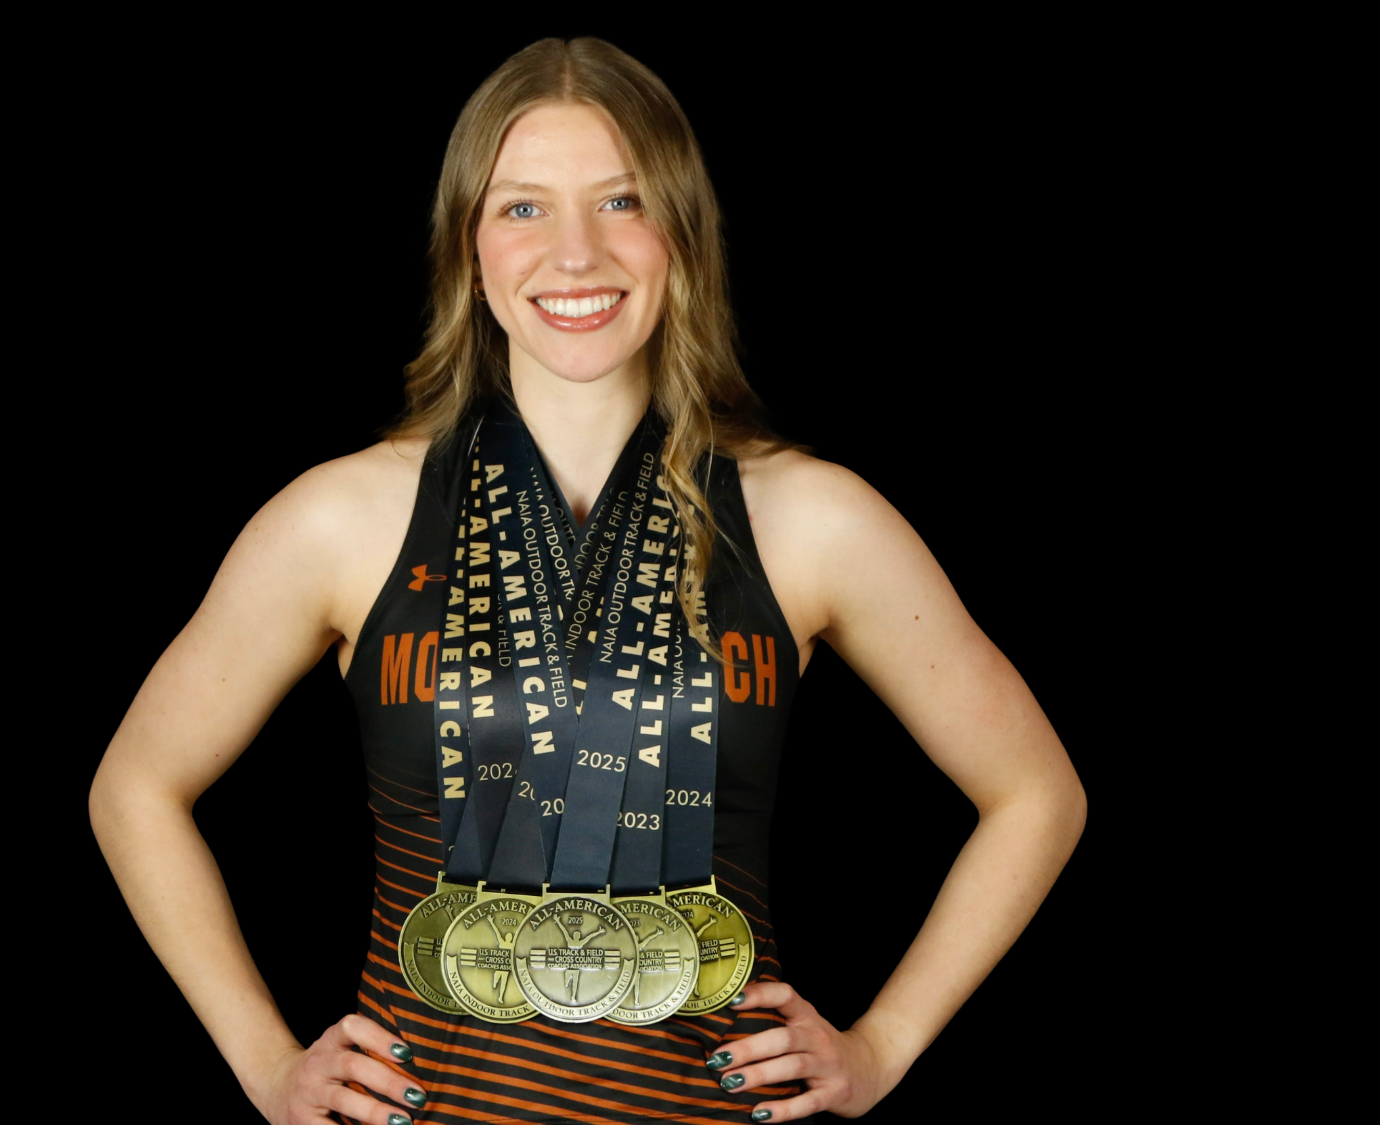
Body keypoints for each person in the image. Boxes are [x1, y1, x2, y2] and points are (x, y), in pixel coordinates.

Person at [88, 37, 1086, 1124]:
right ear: (468, 252)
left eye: (620, 202)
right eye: (522, 209)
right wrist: (265, 1063)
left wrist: (882, 1047)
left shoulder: (811, 518)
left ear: (681, 238)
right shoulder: (343, 516)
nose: (574, 253)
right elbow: (134, 786)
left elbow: (1035, 793)